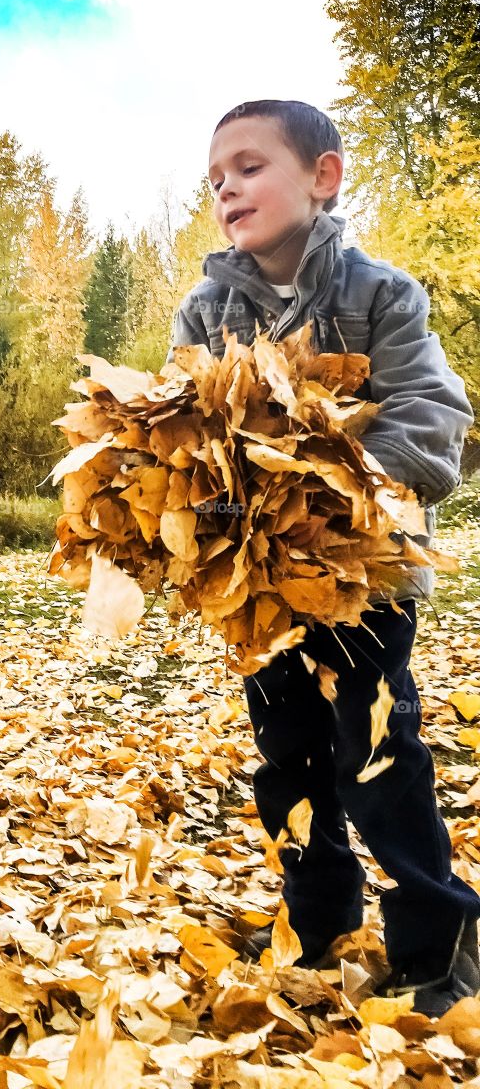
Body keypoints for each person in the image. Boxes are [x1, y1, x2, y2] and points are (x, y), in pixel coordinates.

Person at [165, 99, 480, 1017]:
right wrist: (201, 516)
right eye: (216, 177)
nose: (227, 187)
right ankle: (320, 915)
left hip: (364, 577)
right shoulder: (206, 308)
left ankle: (438, 936)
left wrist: (332, 483)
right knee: (286, 757)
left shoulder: (381, 295)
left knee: (377, 756)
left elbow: (433, 415)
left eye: (250, 166)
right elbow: (186, 439)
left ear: (323, 177)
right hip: (259, 591)